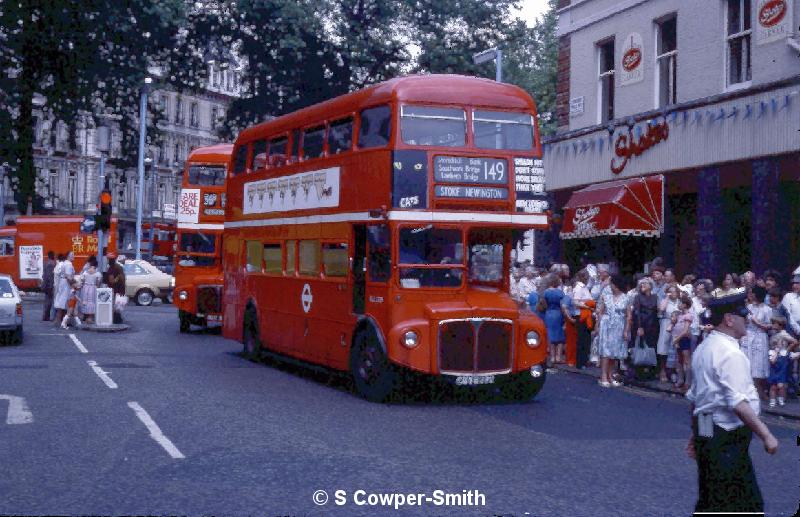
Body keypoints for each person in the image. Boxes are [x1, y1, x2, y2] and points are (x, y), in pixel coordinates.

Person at [685, 293, 778, 513]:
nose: (746, 320)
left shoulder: (704, 348)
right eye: (742, 315)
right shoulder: (730, 353)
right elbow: (738, 403)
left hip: (706, 425)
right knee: (743, 502)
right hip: (727, 435)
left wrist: (696, 436)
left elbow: (697, 399)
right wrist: (766, 435)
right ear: (729, 319)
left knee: (710, 494)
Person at [595, 274, 629, 387]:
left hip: (619, 325)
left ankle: (610, 374)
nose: (611, 287)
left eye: (613, 285)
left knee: (614, 353)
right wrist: (598, 325)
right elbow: (600, 311)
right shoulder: (606, 296)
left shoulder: (626, 298)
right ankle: (603, 376)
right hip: (607, 325)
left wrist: (626, 331)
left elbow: (628, 316)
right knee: (606, 351)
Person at [741, 286, 771, 400]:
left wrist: (757, 323)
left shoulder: (767, 309)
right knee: (747, 363)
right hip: (748, 336)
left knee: (757, 365)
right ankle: (748, 391)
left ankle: (759, 390)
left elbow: (769, 326)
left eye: (752, 293)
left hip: (760, 336)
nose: (750, 295)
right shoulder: (749, 307)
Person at [630, 277, 659, 380]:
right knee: (640, 347)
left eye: (645, 284)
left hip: (653, 326)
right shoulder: (637, 297)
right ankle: (638, 372)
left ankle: (650, 372)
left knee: (651, 348)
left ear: (650, 286)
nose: (642, 286)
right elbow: (636, 312)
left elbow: (657, 311)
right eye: (641, 284)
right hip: (641, 324)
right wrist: (639, 327)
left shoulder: (655, 297)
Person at [767, 316, 797, 407]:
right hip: (773, 356)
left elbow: (794, 341)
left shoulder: (783, 334)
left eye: (774, 323)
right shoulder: (774, 333)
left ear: (780, 325)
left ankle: (780, 399)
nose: (772, 325)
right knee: (773, 382)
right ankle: (773, 400)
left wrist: (787, 350)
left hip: (781, 358)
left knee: (781, 383)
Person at [669, 294, 695, 390]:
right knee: (679, 360)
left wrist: (676, 339)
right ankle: (680, 380)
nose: (678, 304)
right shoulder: (679, 315)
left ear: (684, 305)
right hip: (678, 339)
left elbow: (685, 331)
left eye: (680, 303)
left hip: (683, 339)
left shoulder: (688, 316)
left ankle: (688, 381)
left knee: (686, 360)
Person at [657, 285, 680, 382]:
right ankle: (662, 371)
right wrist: (667, 297)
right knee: (664, 347)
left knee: (675, 348)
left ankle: (674, 372)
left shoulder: (680, 301)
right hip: (666, 323)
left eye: (674, 291)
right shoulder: (665, 300)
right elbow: (662, 309)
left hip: (678, 325)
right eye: (670, 292)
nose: (672, 293)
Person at [103, 252, 126, 324]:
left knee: (113, 305)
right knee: (117, 306)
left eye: (107, 260)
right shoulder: (119, 267)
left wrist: (117, 278)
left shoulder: (112, 268)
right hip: (120, 289)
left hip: (114, 289)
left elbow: (112, 281)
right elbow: (123, 278)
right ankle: (117, 319)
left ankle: (115, 319)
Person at [53, 251, 75, 326]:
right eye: (72, 255)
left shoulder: (64, 263)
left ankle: (58, 319)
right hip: (66, 284)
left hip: (62, 283)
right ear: (68, 256)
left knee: (61, 301)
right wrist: (73, 284)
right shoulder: (69, 264)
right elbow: (69, 277)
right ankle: (65, 320)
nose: (73, 256)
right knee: (68, 301)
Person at [79, 256, 101, 324]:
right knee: (92, 302)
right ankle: (90, 318)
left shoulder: (85, 272)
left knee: (85, 301)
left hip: (85, 288)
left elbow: (82, 280)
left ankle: (85, 316)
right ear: (96, 265)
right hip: (93, 288)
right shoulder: (97, 273)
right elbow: (98, 283)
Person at [40, 251, 56, 321]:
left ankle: (46, 316)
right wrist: (50, 286)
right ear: (52, 256)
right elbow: (50, 276)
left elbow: (44, 275)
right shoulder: (51, 264)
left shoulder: (46, 263)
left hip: (46, 284)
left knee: (47, 301)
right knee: (49, 301)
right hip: (49, 285)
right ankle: (46, 316)